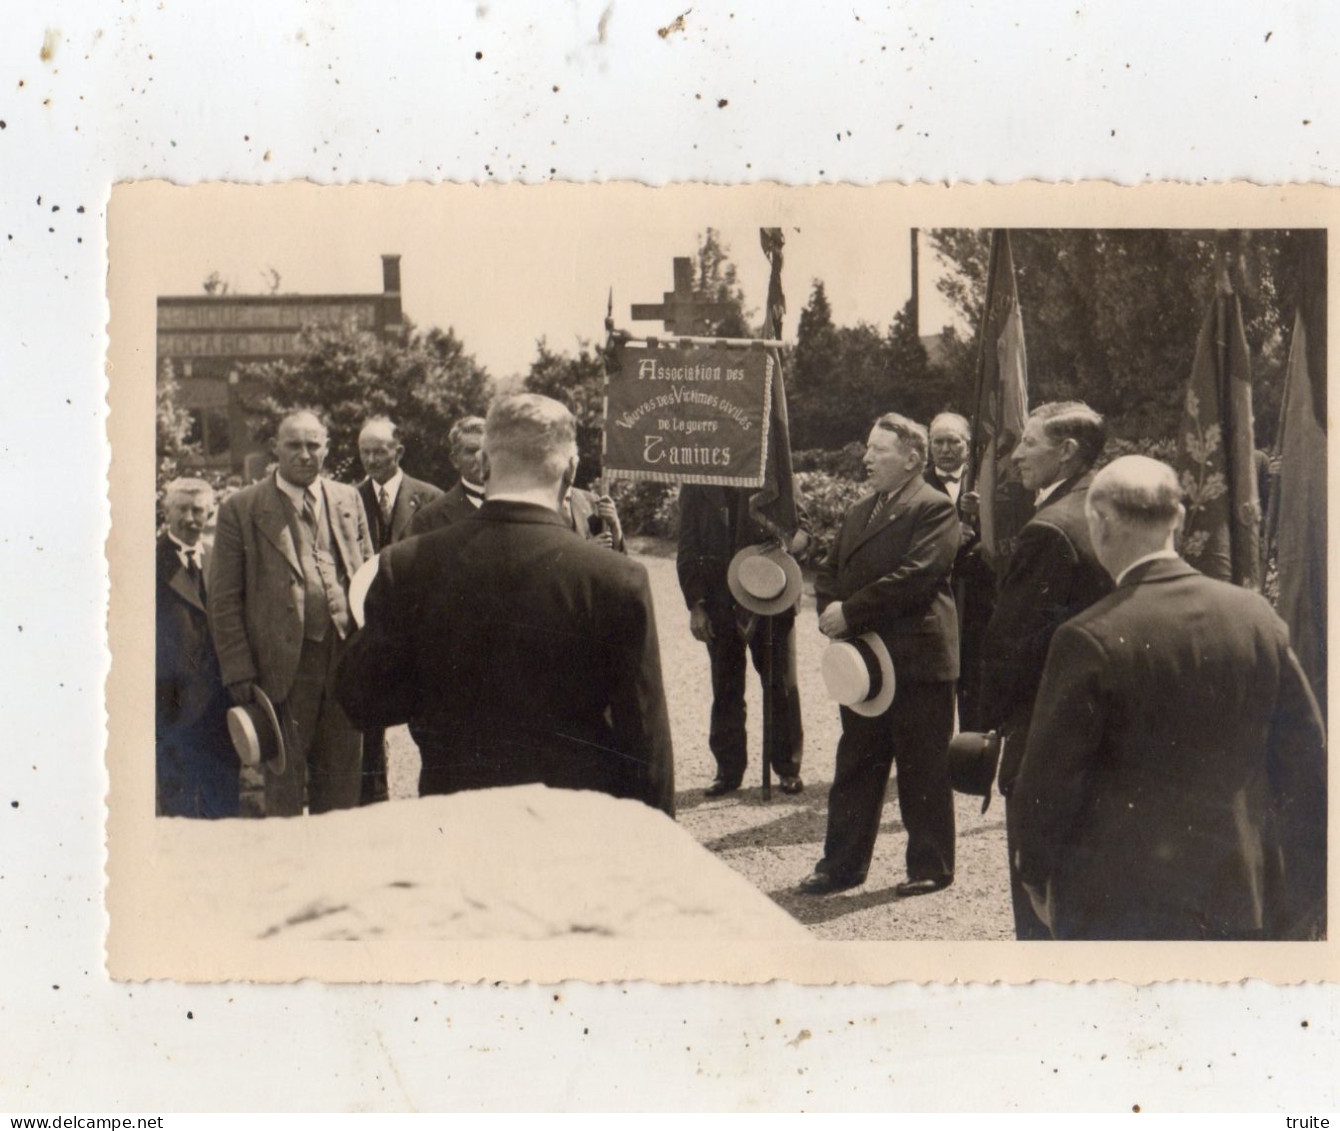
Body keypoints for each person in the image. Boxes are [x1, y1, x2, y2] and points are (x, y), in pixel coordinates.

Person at [1011, 456, 1327, 940]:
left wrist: (1035, 874)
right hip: (1239, 890)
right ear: (1177, 519)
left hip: (1121, 901)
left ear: (1099, 523)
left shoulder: (1087, 636)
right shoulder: (1256, 616)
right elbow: (1306, 756)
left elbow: (1048, 781)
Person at [336, 394, 675, 815]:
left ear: (485, 464)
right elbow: (645, 741)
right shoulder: (615, 578)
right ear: (570, 469)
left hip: (458, 819)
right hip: (576, 825)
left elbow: (364, 700)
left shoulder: (407, 565)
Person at [800, 413, 959, 896]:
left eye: (879, 451)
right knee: (856, 764)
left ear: (912, 459)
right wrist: (831, 608)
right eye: (868, 449)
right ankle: (841, 865)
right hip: (867, 662)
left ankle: (930, 866)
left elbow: (916, 576)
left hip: (916, 662)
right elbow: (827, 570)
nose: (867, 458)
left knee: (922, 768)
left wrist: (851, 613)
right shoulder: (860, 510)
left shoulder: (933, 508)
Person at [975, 400, 1113, 937]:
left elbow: (1010, 645)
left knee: (1043, 905)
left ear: (1067, 451)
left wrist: (989, 719)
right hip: (1110, 729)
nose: (1015, 456)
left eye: (1029, 443)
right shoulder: (1108, 506)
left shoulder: (1049, 530)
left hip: (1047, 731)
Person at [209, 410, 373, 816]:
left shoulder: (347, 499)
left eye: (313, 445)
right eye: (294, 445)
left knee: (342, 786)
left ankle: (335, 874)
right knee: (283, 785)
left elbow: (369, 575)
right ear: (275, 448)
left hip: (344, 662)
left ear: (327, 449)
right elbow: (224, 600)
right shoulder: (241, 509)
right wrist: (240, 672)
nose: (304, 454)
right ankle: (287, 876)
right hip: (279, 670)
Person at [677, 484, 808, 796]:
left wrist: (783, 546)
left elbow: (804, 532)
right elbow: (687, 547)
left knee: (781, 683)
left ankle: (787, 767)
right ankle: (728, 770)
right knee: (725, 685)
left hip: (772, 597)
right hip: (718, 600)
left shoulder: (775, 470)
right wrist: (696, 605)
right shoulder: (699, 481)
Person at [355, 416, 444, 805]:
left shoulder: (432, 500)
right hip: (367, 629)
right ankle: (373, 805)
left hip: (418, 632)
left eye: (380, 451)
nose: (372, 459)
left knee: (428, 726)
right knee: (366, 727)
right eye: (365, 452)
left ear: (399, 451)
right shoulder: (347, 499)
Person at [155, 478, 239, 818]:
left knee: (223, 796)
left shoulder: (220, 558)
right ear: (166, 511)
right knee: (180, 798)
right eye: (182, 510)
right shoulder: (150, 563)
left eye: (198, 511)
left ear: (210, 513)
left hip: (219, 699)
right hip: (172, 699)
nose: (191, 519)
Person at [924, 411, 994, 731]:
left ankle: (972, 757)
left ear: (968, 444)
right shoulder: (916, 485)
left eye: (954, 441)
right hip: (935, 595)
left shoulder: (986, 482)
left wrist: (984, 513)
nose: (946, 449)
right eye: (938, 441)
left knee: (976, 680)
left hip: (978, 597)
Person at [405, 416, 488, 536]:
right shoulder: (429, 519)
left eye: (487, 450)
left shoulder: (517, 506)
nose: (481, 458)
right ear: (455, 460)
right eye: (471, 451)